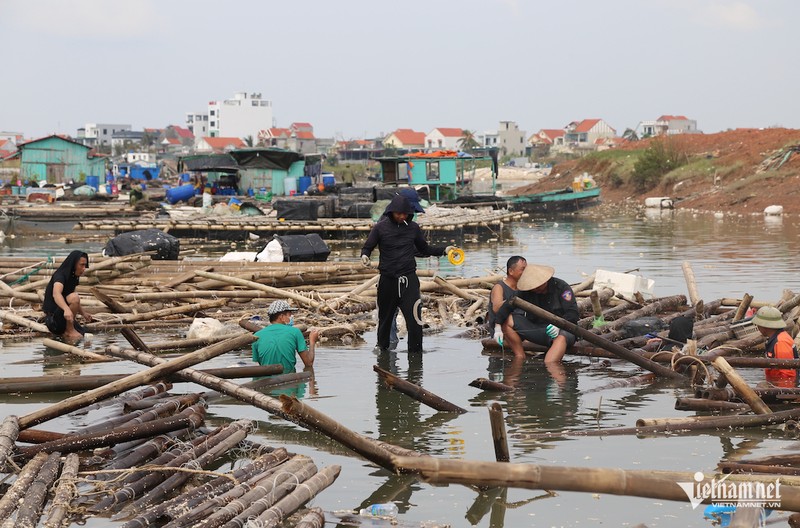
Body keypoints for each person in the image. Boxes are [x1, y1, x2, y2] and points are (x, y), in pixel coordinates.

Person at [361, 193, 457, 353]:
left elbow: (424, 249)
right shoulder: (380, 228)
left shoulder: (413, 228)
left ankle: (416, 356)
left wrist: (444, 250)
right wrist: (365, 255)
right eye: (398, 213)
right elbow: (367, 246)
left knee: (414, 320)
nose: (401, 216)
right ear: (391, 212)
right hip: (388, 280)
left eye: (405, 214)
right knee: (385, 319)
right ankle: (382, 351)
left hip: (409, 281)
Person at [508, 264, 578, 365]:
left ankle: (552, 371)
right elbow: (507, 306)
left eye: (538, 286)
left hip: (563, 330)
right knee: (508, 320)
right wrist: (497, 326)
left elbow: (573, 313)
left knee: (561, 338)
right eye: (533, 287)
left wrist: (559, 324)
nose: (536, 289)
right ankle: (519, 357)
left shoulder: (561, 287)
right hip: (538, 329)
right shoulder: (526, 291)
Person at [252, 300, 319, 374]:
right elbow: (308, 363)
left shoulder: (256, 336)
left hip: (265, 382)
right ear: (282, 317)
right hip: (289, 381)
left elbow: (260, 364)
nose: (291, 318)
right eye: (289, 315)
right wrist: (312, 341)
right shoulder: (295, 332)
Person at [42, 250, 93, 342]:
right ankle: (69, 331)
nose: (84, 268)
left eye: (85, 265)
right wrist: (66, 309)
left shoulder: (73, 276)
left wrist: (83, 313)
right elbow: (56, 293)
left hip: (64, 317)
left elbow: (73, 300)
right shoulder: (60, 276)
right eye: (81, 265)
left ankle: (70, 329)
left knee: (84, 333)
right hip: (53, 320)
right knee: (74, 297)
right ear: (74, 264)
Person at [488, 255, 527, 358]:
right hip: (503, 329)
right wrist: (514, 300)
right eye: (522, 269)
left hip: (521, 327)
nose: (526, 273)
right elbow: (496, 308)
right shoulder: (499, 287)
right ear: (511, 271)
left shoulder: (523, 288)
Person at [752, 306, 798, 387]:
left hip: (783, 389)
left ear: (764, 326)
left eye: (758, 325)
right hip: (776, 384)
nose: (757, 327)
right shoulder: (775, 339)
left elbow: (787, 375)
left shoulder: (781, 342)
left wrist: (781, 394)